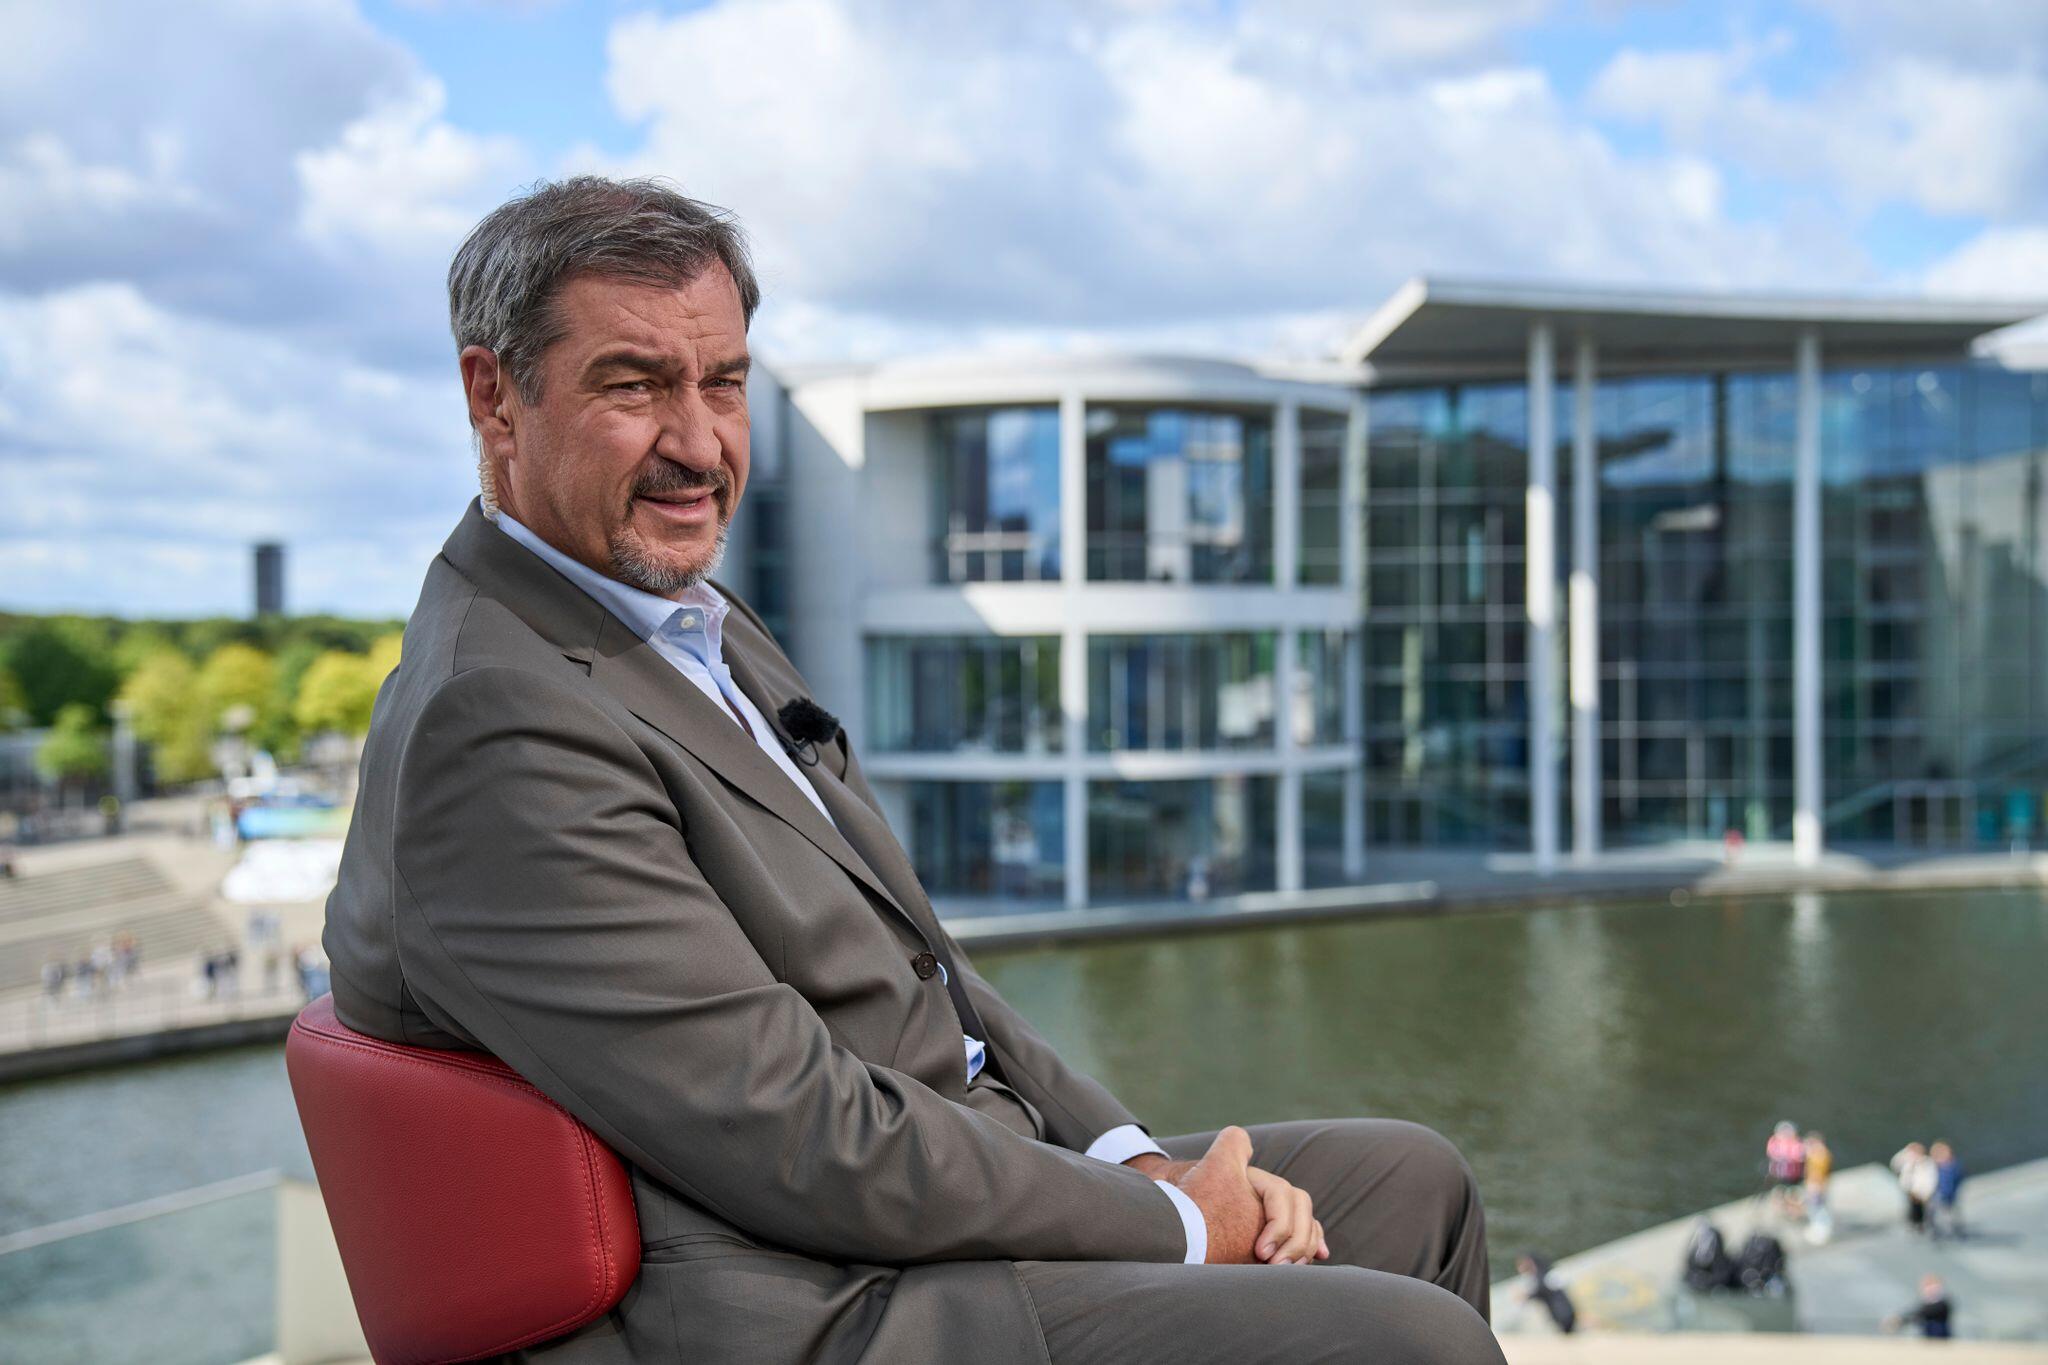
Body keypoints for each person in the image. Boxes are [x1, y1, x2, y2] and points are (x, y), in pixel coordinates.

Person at [320, 177, 1501, 1365]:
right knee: (1406, 1341)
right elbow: (793, 1135)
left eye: (722, 383)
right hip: (806, 1298)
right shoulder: (498, 723)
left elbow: (932, 972)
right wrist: (1184, 1226)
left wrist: (1134, 1159)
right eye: (632, 386)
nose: (698, 445)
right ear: (494, 397)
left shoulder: (694, 620)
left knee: (1411, 1186)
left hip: (921, 1189)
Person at [1514, 1252, 1576, 1334]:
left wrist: (1525, 1296)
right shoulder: (1541, 1275)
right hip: (1562, 1313)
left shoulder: (1543, 1276)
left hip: (1563, 1313)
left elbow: (1541, 1290)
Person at [1884, 1274, 1953, 1339]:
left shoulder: (1943, 1304)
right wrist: (1899, 1319)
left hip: (1941, 1339)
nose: (1930, 1290)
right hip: (1927, 1338)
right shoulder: (1925, 1304)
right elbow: (1916, 1312)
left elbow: (1923, 1312)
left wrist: (1900, 1320)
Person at [1892, 1141, 1937, 1235]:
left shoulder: (1926, 1163)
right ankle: (1913, 1226)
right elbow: (1894, 1163)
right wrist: (1906, 1150)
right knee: (1911, 1210)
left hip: (1921, 1193)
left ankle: (1924, 1227)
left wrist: (1926, 1193)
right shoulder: (1907, 1161)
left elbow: (1931, 1178)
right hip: (1909, 1192)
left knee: (1923, 1211)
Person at [1765, 1120, 1805, 1220]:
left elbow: (1799, 1157)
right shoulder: (1774, 1142)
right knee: (1779, 1193)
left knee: (1794, 1194)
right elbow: (1771, 1153)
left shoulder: (1797, 1143)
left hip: (1794, 1176)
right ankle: (1783, 1210)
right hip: (1779, 1175)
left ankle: (1795, 1213)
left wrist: (1786, 1156)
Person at [1800, 1130, 1834, 1245]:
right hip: (1815, 1186)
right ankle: (1818, 1228)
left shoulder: (1820, 1156)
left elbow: (1818, 1175)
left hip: (1817, 1188)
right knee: (1815, 1209)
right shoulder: (1817, 1155)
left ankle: (1822, 1231)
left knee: (1818, 1209)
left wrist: (1815, 1188)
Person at [1930, 1141, 1965, 1241]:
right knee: (1937, 1214)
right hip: (1937, 1194)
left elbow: (1959, 1178)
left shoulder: (1954, 1166)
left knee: (1951, 1214)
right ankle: (1938, 1232)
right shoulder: (1933, 1166)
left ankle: (1955, 1231)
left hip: (1950, 1194)